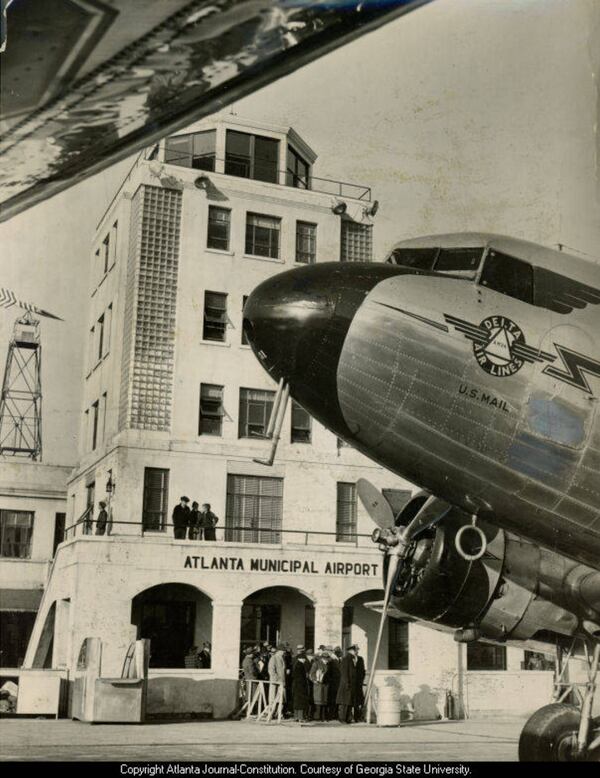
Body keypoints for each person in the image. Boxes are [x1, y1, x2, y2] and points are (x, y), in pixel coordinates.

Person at [337, 645, 359, 723]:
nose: (357, 651)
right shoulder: (346, 659)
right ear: (352, 651)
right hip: (346, 685)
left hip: (350, 684)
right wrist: (347, 683)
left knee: (349, 702)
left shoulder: (351, 659)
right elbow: (344, 673)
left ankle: (347, 718)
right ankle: (342, 718)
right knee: (344, 702)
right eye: (356, 650)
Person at [309, 646, 330, 721]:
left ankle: (323, 717)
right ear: (322, 658)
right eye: (326, 658)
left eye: (327, 658)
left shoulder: (328, 664)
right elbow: (311, 674)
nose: (327, 659)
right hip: (318, 685)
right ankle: (317, 717)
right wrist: (315, 680)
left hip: (325, 685)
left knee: (324, 701)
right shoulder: (316, 664)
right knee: (318, 701)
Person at [292, 648, 311, 722]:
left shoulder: (296, 664)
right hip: (301, 686)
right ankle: (300, 718)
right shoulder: (300, 665)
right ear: (302, 659)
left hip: (296, 686)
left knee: (297, 702)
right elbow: (301, 677)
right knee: (301, 702)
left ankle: (296, 717)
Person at [327, 646, 341, 720]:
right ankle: (332, 715)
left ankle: (333, 714)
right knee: (333, 700)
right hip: (333, 683)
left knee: (334, 699)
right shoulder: (332, 660)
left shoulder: (335, 659)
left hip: (335, 683)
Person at [354, 645, 366, 721]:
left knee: (359, 700)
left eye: (357, 650)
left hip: (358, 683)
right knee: (352, 700)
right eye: (355, 650)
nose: (356, 651)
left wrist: (361, 680)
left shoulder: (360, 659)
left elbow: (362, 670)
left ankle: (358, 716)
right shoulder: (349, 659)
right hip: (352, 683)